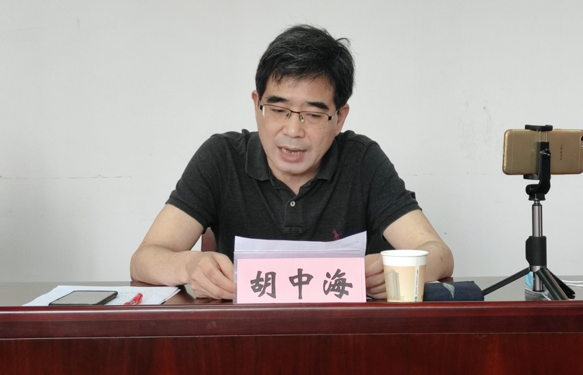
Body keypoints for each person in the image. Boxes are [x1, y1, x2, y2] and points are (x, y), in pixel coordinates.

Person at [130, 24, 453, 300]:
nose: (293, 131)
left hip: (343, 339)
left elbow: (439, 254)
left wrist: (396, 269)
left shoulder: (361, 160)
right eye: (278, 110)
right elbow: (145, 258)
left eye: (312, 115)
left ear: (339, 118)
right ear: (257, 105)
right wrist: (189, 266)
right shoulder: (222, 157)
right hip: (243, 337)